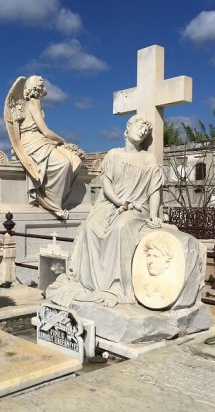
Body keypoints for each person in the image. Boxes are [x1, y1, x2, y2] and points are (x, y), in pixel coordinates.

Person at [47, 114, 163, 307]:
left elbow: (154, 190)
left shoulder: (149, 159)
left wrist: (153, 215)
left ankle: (118, 285)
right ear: (127, 130)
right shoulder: (113, 155)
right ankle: (91, 283)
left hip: (136, 206)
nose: (142, 131)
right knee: (91, 226)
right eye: (139, 126)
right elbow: (106, 184)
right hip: (110, 203)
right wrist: (119, 202)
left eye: (146, 130)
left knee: (121, 227)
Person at [19, 76, 82, 219]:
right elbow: (45, 131)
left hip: (40, 140)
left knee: (75, 160)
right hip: (33, 141)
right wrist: (62, 140)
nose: (45, 88)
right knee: (64, 163)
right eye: (43, 85)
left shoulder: (33, 103)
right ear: (38, 87)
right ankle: (51, 202)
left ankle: (56, 196)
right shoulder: (33, 102)